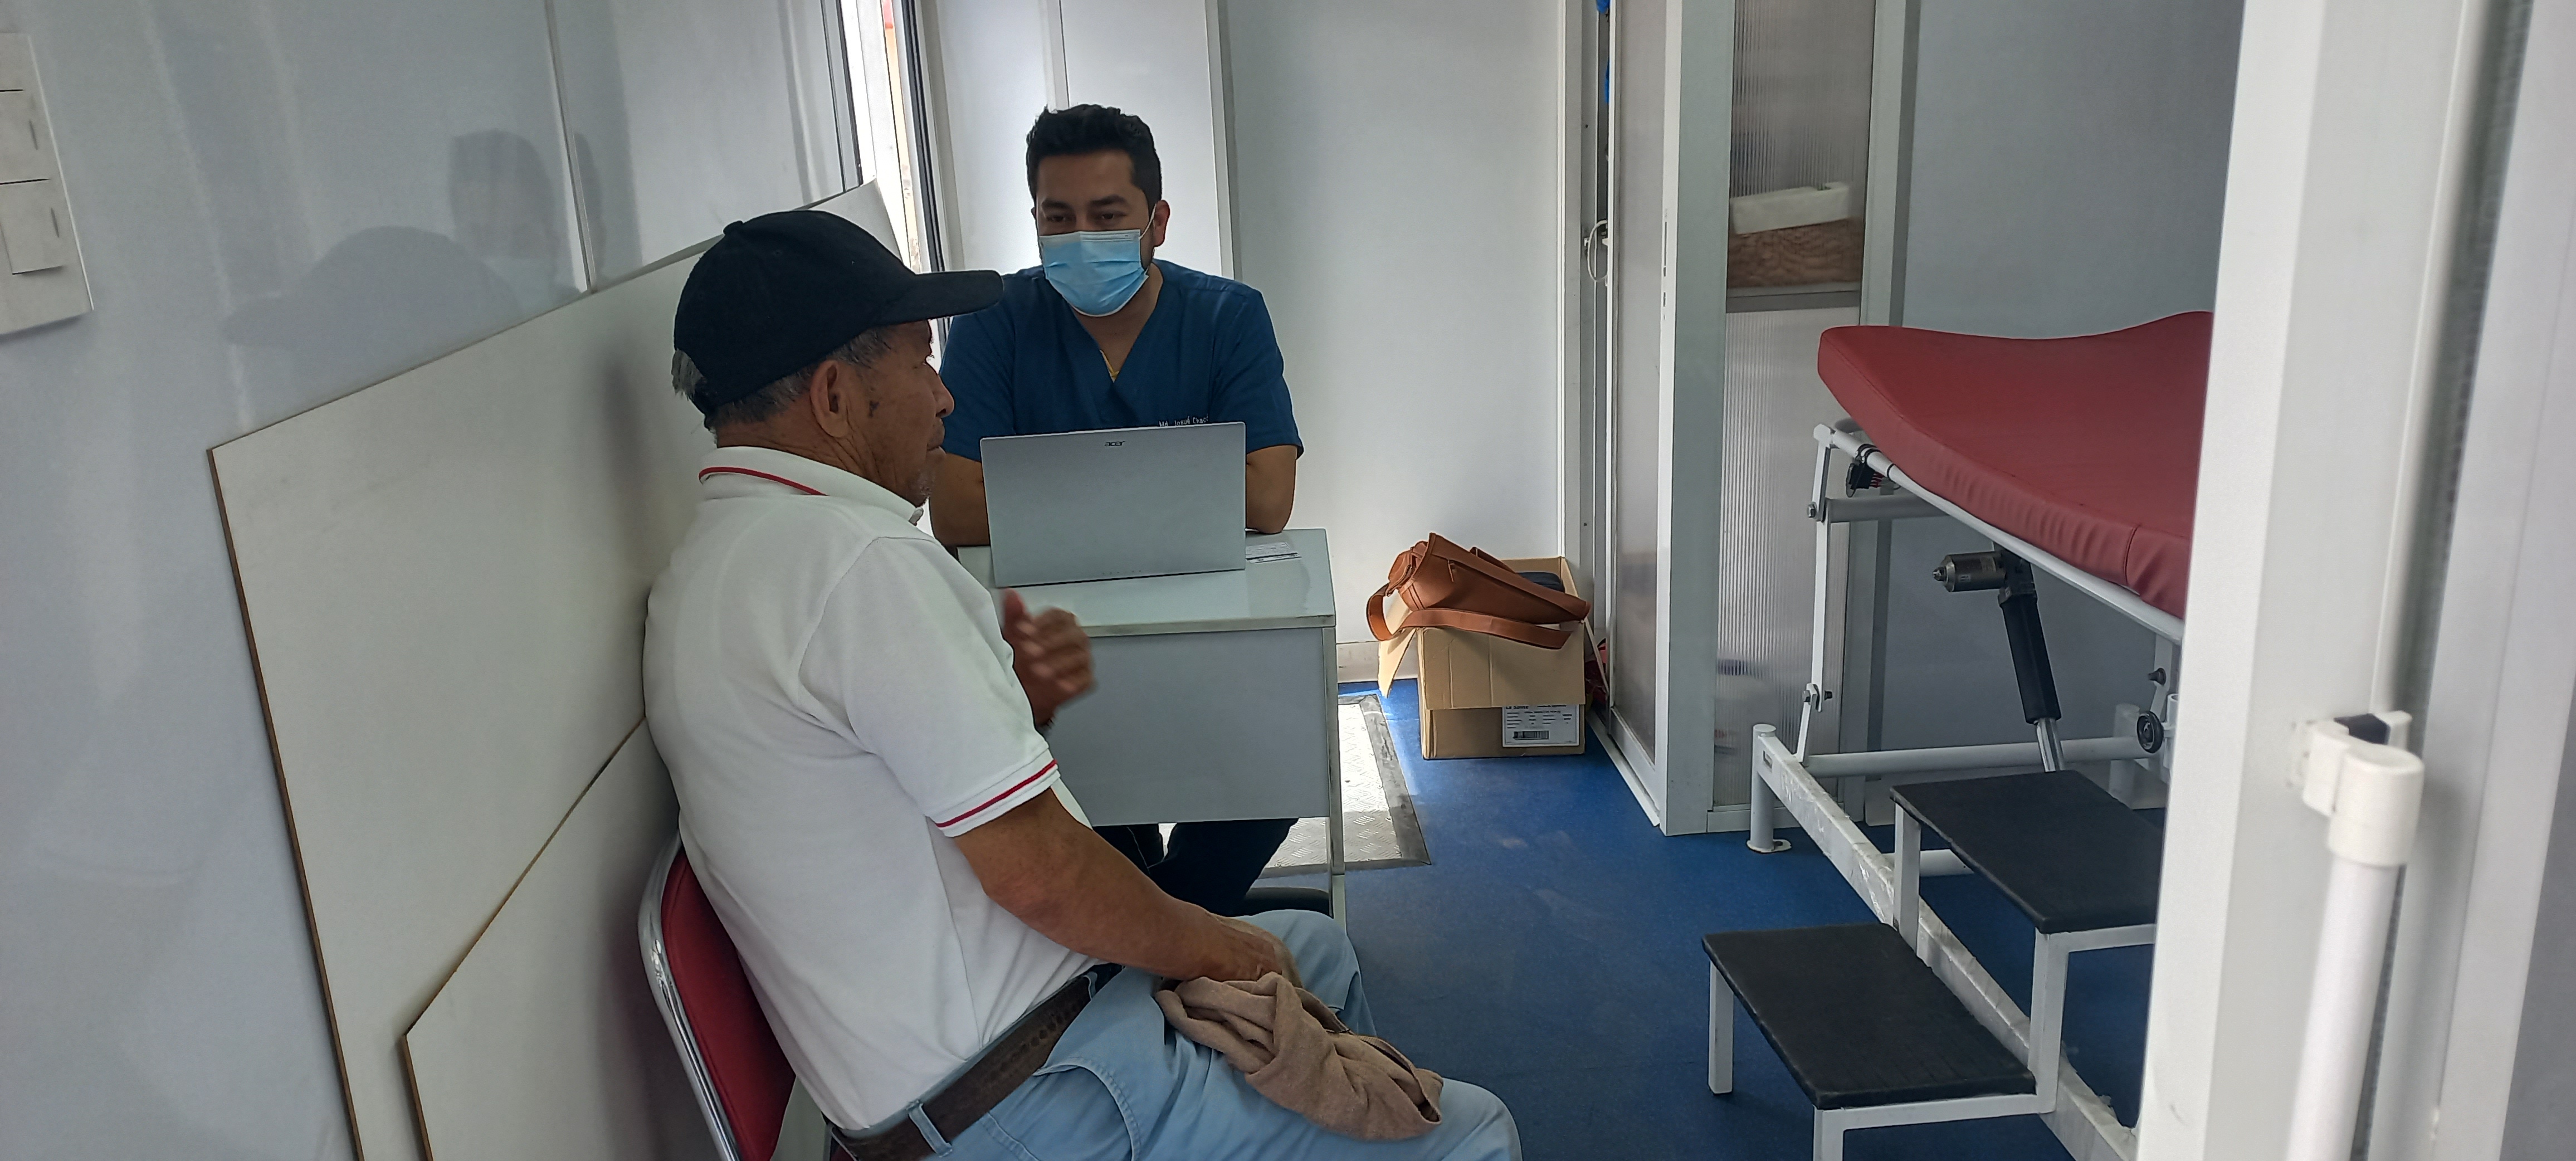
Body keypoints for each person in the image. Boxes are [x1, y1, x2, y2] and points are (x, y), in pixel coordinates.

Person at [644, 210, 1518, 1161]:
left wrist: (1008, 703)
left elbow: (876, 796)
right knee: (1470, 1133)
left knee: (1321, 952)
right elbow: (1043, 876)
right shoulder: (857, 565)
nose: (943, 398)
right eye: (920, 363)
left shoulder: (711, 568)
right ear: (834, 395)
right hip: (1032, 1097)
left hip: (972, 1065)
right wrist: (1221, 945)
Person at [933, 104, 1316, 917]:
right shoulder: (993, 323)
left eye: (1107, 216)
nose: (1082, 238)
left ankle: (1166, 923)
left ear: (1157, 221)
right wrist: (1178, 485)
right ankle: (1165, 928)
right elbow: (956, 510)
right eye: (1057, 218)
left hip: (1206, 618)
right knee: (1080, 791)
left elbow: (1268, 498)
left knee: (1279, 753)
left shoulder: (1227, 316)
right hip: (1050, 639)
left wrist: (1044, 495)